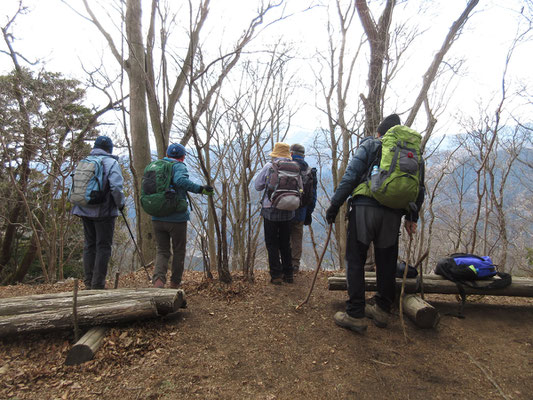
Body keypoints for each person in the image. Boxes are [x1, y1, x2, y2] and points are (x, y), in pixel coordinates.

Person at [325, 114, 425, 333]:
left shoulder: (371, 145)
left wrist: (334, 206)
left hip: (365, 209)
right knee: (387, 261)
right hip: (393, 214)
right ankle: (381, 308)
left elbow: (350, 176)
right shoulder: (412, 153)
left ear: (381, 133)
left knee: (355, 259)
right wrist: (411, 218)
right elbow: (420, 188)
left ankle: (355, 314)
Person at [152, 143, 214, 289]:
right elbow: (181, 181)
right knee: (179, 250)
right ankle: (174, 284)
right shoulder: (179, 166)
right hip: (176, 218)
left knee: (162, 250)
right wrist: (201, 189)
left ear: (167, 155)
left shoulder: (156, 166)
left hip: (157, 215)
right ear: (183, 156)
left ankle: (158, 283)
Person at [73, 135, 125, 290]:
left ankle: (88, 282)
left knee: (89, 245)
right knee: (103, 246)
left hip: (83, 208)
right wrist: (120, 204)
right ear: (110, 149)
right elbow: (116, 188)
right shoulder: (111, 163)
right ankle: (98, 285)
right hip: (104, 211)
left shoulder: (85, 161)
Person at [254, 142, 296, 284]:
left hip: (270, 209)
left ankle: (276, 275)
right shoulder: (294, 167)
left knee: (271, 243)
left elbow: (257, 186)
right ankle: (289, 274)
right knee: (285, 243)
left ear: (275, 154)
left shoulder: (269, 167)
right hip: (289, 210)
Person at [289, 143, 317, 273]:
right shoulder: (310, 171)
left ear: (291, 154)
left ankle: (285, 264)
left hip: (285, 208)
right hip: (301, 210)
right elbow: (313, 195)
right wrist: (308, 212)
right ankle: (295, 264)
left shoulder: (286, 167)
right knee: (297, 237)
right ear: (304, 156)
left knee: (283, 236)